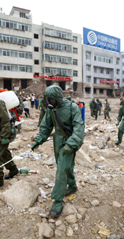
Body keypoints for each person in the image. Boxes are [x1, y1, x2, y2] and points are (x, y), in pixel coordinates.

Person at [31, 85, 84, 218]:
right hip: (57, 141)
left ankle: (57, 201)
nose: (50, 102)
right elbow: (46, 126)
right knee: (64, 166)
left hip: (69, 141)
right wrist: (38, 140)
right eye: (49, 100)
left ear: (58, 97)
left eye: (52, 99)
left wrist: (71, 144)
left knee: (61, 169)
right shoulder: (51, 110)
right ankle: (72, 185)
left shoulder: (72, 107)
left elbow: (79, 127)